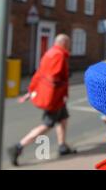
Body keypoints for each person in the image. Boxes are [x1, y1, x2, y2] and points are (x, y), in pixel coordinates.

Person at [8, 34, 76, 166]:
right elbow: (54, 77)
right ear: (63, 43)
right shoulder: (59, 55)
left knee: (63, 118)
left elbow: (39, 73)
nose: (69, 46)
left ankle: (62, 146)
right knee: (47, 124)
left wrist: (30, 91)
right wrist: (65, 77)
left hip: (57, 97)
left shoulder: (49, 53)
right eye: (68, 43)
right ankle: (18, 147)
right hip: (54, 98)